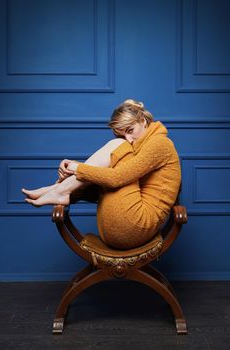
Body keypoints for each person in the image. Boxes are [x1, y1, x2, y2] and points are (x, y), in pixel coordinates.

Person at [22, 99, 181, 249]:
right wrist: (77, 172)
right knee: (116, 150)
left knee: (117, 146)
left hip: (136, 225)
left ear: (143, 121)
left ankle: (61, 190)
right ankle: (62, 191)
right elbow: (104, 184)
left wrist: (77, 168)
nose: (129, 139)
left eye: (130, 130)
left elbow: (116, 178)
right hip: (121, 229)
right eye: (123, 134)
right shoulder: (144, 145)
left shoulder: (160, 144)